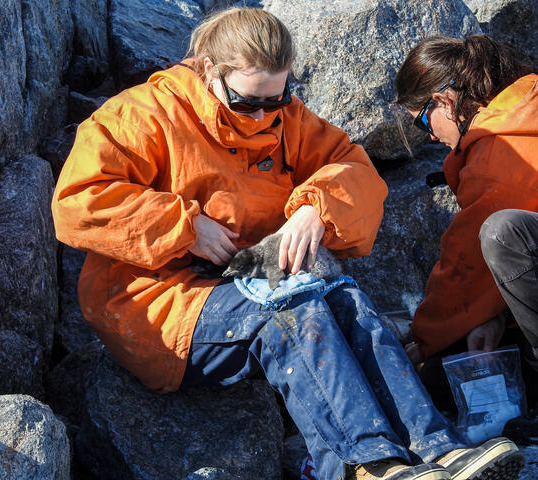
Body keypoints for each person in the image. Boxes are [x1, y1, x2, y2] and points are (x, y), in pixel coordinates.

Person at [52, 10, 522, 480]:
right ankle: (367, 465)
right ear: (211, 71)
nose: (262, 116)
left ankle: (437, 449)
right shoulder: (142, 114)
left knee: (346, 300)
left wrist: (316, 207)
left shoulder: (287, 118)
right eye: (247, 102)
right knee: (289, 314)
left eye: (275, 100)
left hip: (250, 280)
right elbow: (77, 202)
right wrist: (186, 227)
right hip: (156, 302)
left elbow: (355, 170)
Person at [395, 34, 538, 411]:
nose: (430, 136)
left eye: (423, 121)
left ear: (444, 100)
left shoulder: (497, 154)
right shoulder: (526, 102)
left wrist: (424, 339)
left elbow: (465, 267)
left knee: (502, 233)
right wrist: (497, 317)